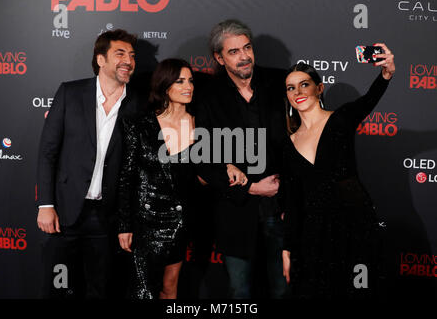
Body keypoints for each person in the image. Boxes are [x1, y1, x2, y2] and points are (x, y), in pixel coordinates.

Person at [281, 43, 395, 298]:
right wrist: (287, 249)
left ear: (319, 88)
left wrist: (386, 73)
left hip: (352, 224)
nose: (298, 91)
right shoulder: (288, 143)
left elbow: (368, 100)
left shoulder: (340, 119)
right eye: (291, 87)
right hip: (312, 235)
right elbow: (293, 200)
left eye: (304, 84)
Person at [36, 29, 143, 298]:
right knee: (58, 288)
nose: (128, 61)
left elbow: (135, 170)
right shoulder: (70, 93)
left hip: (106, 217)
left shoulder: (139, 105)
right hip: (65, 213)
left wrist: (125, 223)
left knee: (100, 289)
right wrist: (46, 205)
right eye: (120, 53)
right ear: (100, 59)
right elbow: (48, 152)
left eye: (132, 55)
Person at [194, 19, 290, 298]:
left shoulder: (281, 82)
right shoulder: (208, 96)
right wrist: (250, 187)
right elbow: (203, 159)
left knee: (283, 288)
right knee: (240, 290)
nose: (244, 56)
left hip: (281, 208)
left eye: (247, 47)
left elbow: (304, 137)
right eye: (234, 51)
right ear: (219, 57)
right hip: (236, 210)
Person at [117, 58, 200, 299]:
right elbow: (126, 177)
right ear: (165, 86)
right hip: (145, 223)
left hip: (180, 223)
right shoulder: (141, 125)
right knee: (142, 291)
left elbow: (207, 170)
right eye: (180, 81)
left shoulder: (200, 124)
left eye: (191, 81)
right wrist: (125, 226)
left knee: (170, 287)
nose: (189, 87)